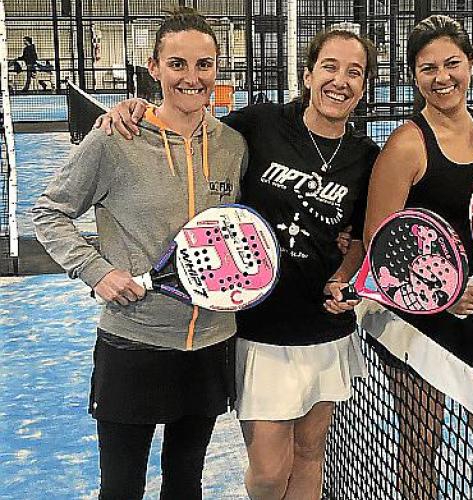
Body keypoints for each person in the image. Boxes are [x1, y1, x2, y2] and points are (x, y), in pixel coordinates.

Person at [97, 27, 380, 500]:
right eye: (329, 67)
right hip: (255, 325)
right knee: (269, 473)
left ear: (365, 85)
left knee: (310, 455)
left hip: (323, 325)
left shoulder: (366, 156)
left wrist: (343, 274)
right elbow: (192, 125)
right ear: (308, 74)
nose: (340, 80)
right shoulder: (261, 124)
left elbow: (361, 234)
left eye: (354, 72)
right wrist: (138, 109)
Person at [32, 8, 247, 499]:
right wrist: (96, 271)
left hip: (210, 343)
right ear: (154, 68)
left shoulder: (233, 145)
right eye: (177, 64)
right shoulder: (115, 138)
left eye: (204, 64)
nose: (192, 77)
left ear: (217, 68)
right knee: (122, 489)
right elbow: (49, 212)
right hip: (134, 343)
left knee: (185, 484)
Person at [364, 14, 473, 499]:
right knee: (421, 448)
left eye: (452, 63)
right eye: (427, 68)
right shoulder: (406, 145)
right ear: (414, 75)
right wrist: (443, 294)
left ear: (471, 63)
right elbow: (378, 244)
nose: (442, 77)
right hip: (422, 318)